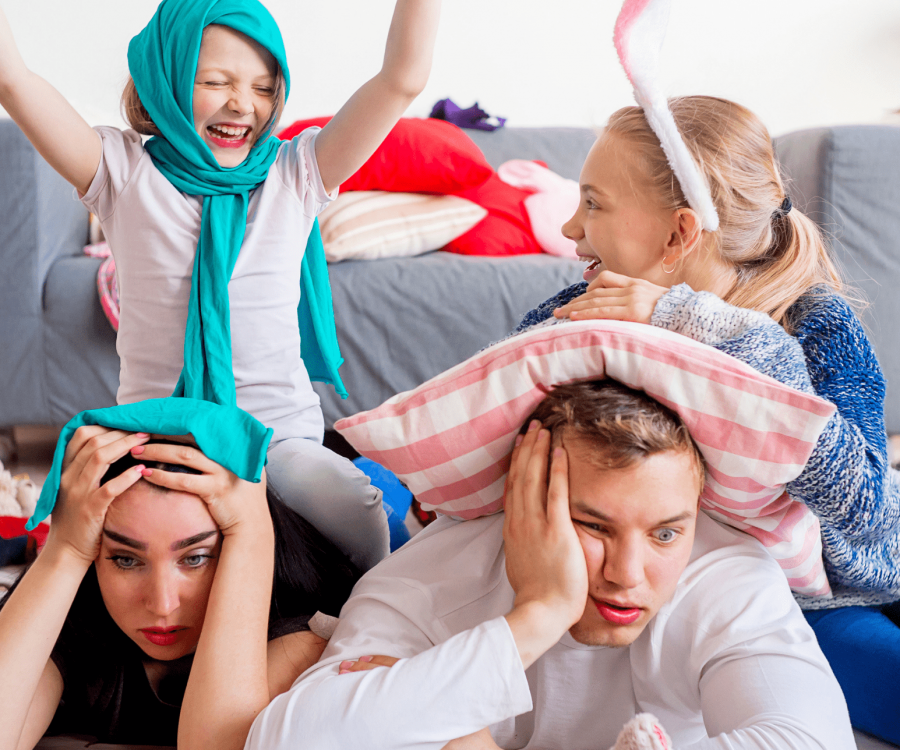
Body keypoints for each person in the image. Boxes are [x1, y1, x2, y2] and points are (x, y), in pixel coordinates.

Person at [0, 0, 442, 573]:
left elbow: (401, 79)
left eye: (263, 87)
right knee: (90, 534)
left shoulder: (295, 174)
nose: (242, 103)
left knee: (356, 506)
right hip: (161, 435)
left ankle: (362, 616)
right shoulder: (122, 172)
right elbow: (12, 78)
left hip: (276, 438)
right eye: (215, 81)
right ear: (164, 80)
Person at [510, 96, 900, 745]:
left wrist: (691, 321)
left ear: (679, 235)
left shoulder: (815, 325)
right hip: (769, 606)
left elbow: (868, 515)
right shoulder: (578, 311)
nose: (569, 228)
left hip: (842, 588)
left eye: (595, 203)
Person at [243, 381, 854, 750]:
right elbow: (285, 742)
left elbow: (810, 741)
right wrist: (537, 615)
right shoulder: (428, 581)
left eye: (666, 532)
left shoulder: (725, 577)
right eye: (593, 526)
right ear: (522, 501)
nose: (628, 573)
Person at [0, 424, 359, 750]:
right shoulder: (74, 613)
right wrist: (65, 549)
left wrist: (252, 531)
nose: (162, 604)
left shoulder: (300, 630)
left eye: (196, 557)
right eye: (126, 559)